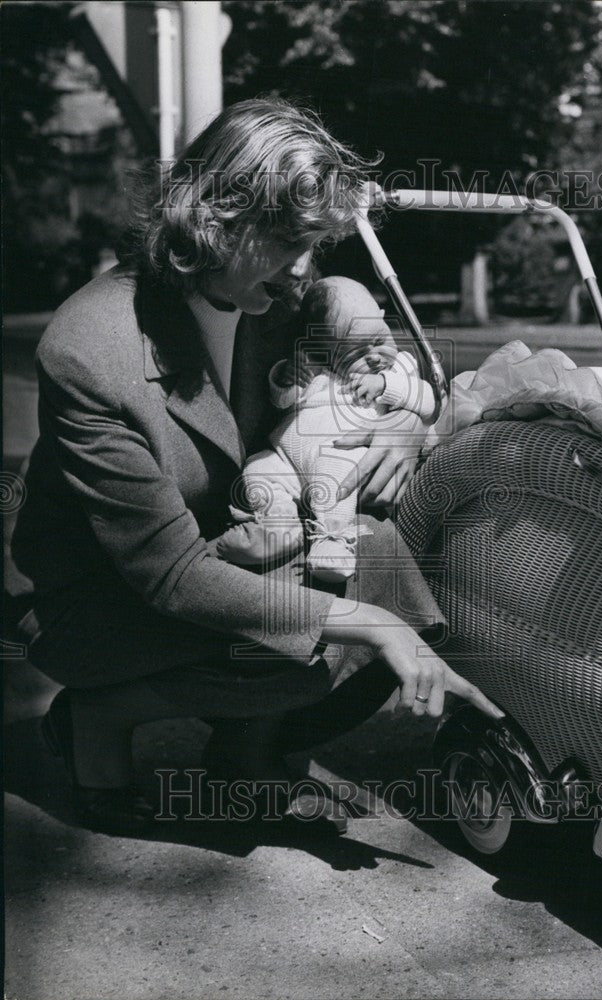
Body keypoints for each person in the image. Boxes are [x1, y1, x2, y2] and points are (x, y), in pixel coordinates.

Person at [11, 97, 503, 836]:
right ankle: (102, 715)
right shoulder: (89, 349)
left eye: (315, 242)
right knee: (342, 623)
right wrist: (365, 619)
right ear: (216, 216)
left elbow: (398, 378)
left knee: (384, 564)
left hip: (240, 544)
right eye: (285, 238)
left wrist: (405, 423)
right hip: (97, 596)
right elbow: (170, 576)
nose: (303, 266)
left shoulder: (286, 294)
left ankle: (246, 756)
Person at [215, 276, 437, 582]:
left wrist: (387, 385)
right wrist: (287, 377)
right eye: (356, 353)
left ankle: (333, 540)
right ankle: (278, 523)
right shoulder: (318, 373)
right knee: (258, 468)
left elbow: (428, 401)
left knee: (338, 474)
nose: (375, 356)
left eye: (379, 339)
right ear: (328, 352)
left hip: (342, 452)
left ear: (382, 318)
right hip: (287, 457)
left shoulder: (399, 367)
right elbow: (282, 402)